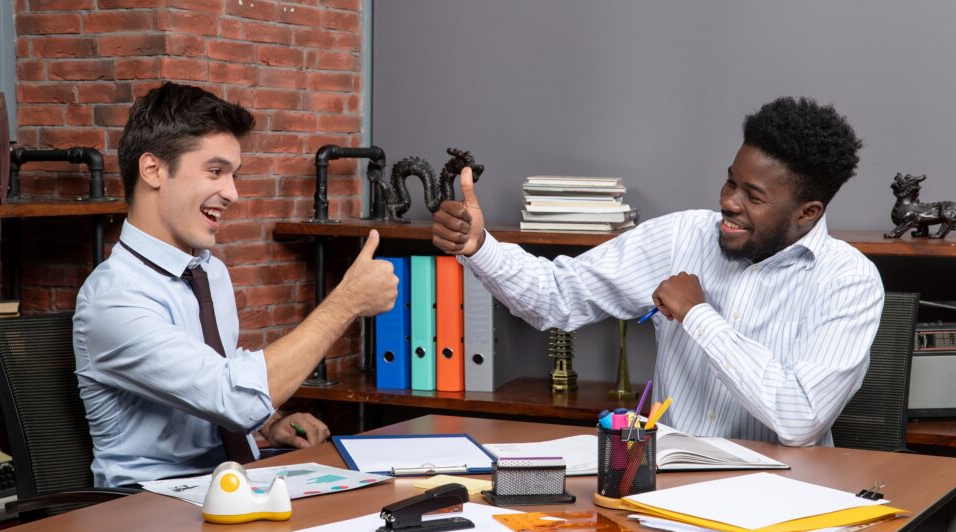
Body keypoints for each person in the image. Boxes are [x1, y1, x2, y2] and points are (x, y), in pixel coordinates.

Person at [433, 97, 885, 448]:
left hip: (782, 500)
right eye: (731, 181)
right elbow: (557, 297)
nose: (728, 201)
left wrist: (699, 317)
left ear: (807, 212)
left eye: (754, 195)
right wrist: (480, 247)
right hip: (669, 491)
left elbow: (799, 418)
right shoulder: (680, 237)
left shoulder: (848, 281)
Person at [74, 82, 398, 487]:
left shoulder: (208, 273)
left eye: (233, 175)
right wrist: (345, 303)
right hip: (153, 507)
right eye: (215, 171)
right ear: (153, 170)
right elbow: (234, 399)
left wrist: (268, 424)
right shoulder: (114, 298)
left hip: (230, 485)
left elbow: (215, 377)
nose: (232, 193)